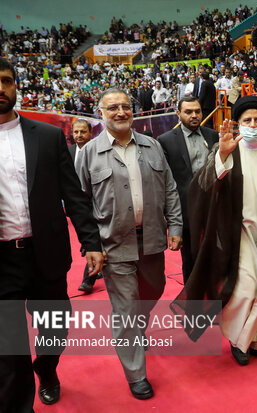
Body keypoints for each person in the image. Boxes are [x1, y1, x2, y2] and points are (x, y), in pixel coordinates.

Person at [0, 57, 103, 412]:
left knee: (55, 330)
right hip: (2, 264)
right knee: (8, 347)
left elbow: (73, 193)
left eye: (5, 81)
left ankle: (46, 367)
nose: (0, 88)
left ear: (16, 86)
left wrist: (91, 241)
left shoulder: (45, 137)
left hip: (46, 253)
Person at [181, 95, 257, 365]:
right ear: (238, 123)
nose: (253, 124)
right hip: (241, 232)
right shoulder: (228, 147)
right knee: (248, 286)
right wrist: (222, 155)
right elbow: (202, 185)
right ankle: (239, 339)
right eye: (247, 120)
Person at [76, 88, 183, 400]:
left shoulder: (151, 146)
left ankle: (136, 329)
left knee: (153, 291)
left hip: (152, 240)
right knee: (125, 310)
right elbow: (80, 203)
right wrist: (90, 244)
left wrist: (175, 223)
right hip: (114, 244)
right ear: (101, 113)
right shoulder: (90, 153)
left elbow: (171, 189)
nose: (120, 112)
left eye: (125, 106)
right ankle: (136, 373)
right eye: (113, 108)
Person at [157, 96, 218, 283]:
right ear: (178, 114)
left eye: (197, 111)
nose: (194, 115)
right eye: (188, 112)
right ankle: (194, 307)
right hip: (186, 212)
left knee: (216, 259)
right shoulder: (166, 140)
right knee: (191, 261)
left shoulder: (213, 135)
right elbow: (165, 183)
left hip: (214, 209)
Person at [68, 118, 104, 293]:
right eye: (76, 132)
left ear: (91, 133)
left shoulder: (99, 152)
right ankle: (100, 267)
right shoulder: (67, 152)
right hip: (76, 208)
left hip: (98, 205)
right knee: (88, 241)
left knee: (93, 241)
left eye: (83, 132)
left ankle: (88, 280)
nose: (79, 135)